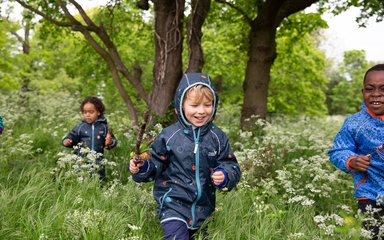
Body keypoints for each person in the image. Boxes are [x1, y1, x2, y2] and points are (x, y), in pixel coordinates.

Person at [129, 73, 241, 240]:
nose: (201, 111)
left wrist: (225, 175)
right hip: (172, 203)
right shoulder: (169, 135)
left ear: (214, 105)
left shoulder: (217, 137)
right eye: (194, 105)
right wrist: (142, 167)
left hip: (204, 207)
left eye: (207, 105)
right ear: (180, 105)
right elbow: (155, 162)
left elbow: (230, 164)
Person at [328, 64, 384, 239]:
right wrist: (351, 160)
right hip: (369, 195)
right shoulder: (354, 124)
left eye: (383, 89)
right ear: (362, 92)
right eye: (369, 89)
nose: (376, 94)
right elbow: (338, 150)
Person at [62, 96, 117, 180]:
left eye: (91, 112)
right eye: (85, 112)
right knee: (81, 180)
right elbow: (71, 136)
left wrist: (110, 142)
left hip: (98, 161)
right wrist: (67, 141)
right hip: (81, 161)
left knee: (99, 181)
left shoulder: (103, 127)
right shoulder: (80, 127)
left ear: (98, 112)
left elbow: (112, 140)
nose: (87, 115)